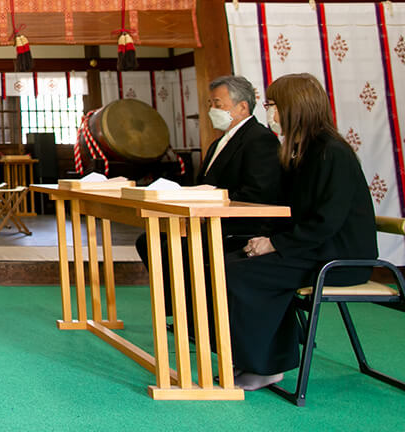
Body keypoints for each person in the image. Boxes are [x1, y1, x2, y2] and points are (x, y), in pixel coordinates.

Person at [225, 72, 377, 391]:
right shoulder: (299, 151)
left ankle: (267, 366)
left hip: (339, 255)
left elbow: (327, 221)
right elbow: (287, 211)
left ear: (294, 107)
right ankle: (258, 357)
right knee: (230, 260)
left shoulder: (331, 152)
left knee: (241, 274)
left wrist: (275, 244)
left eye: (272, 105)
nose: (270, 113)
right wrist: (260, 239)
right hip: (312, 248)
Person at [136, 75, 284, 314]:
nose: (212, 110)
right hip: (208, 218)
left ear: (242, 106)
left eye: (218, 104)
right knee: (149, 240)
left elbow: (257, 193)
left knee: (174, 246)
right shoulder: (219, 142)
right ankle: (184, 309)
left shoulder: (260, 139)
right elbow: (204, 183)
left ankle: (196, 312)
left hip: (240, 226)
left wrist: (210, 204)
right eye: (211, 104)